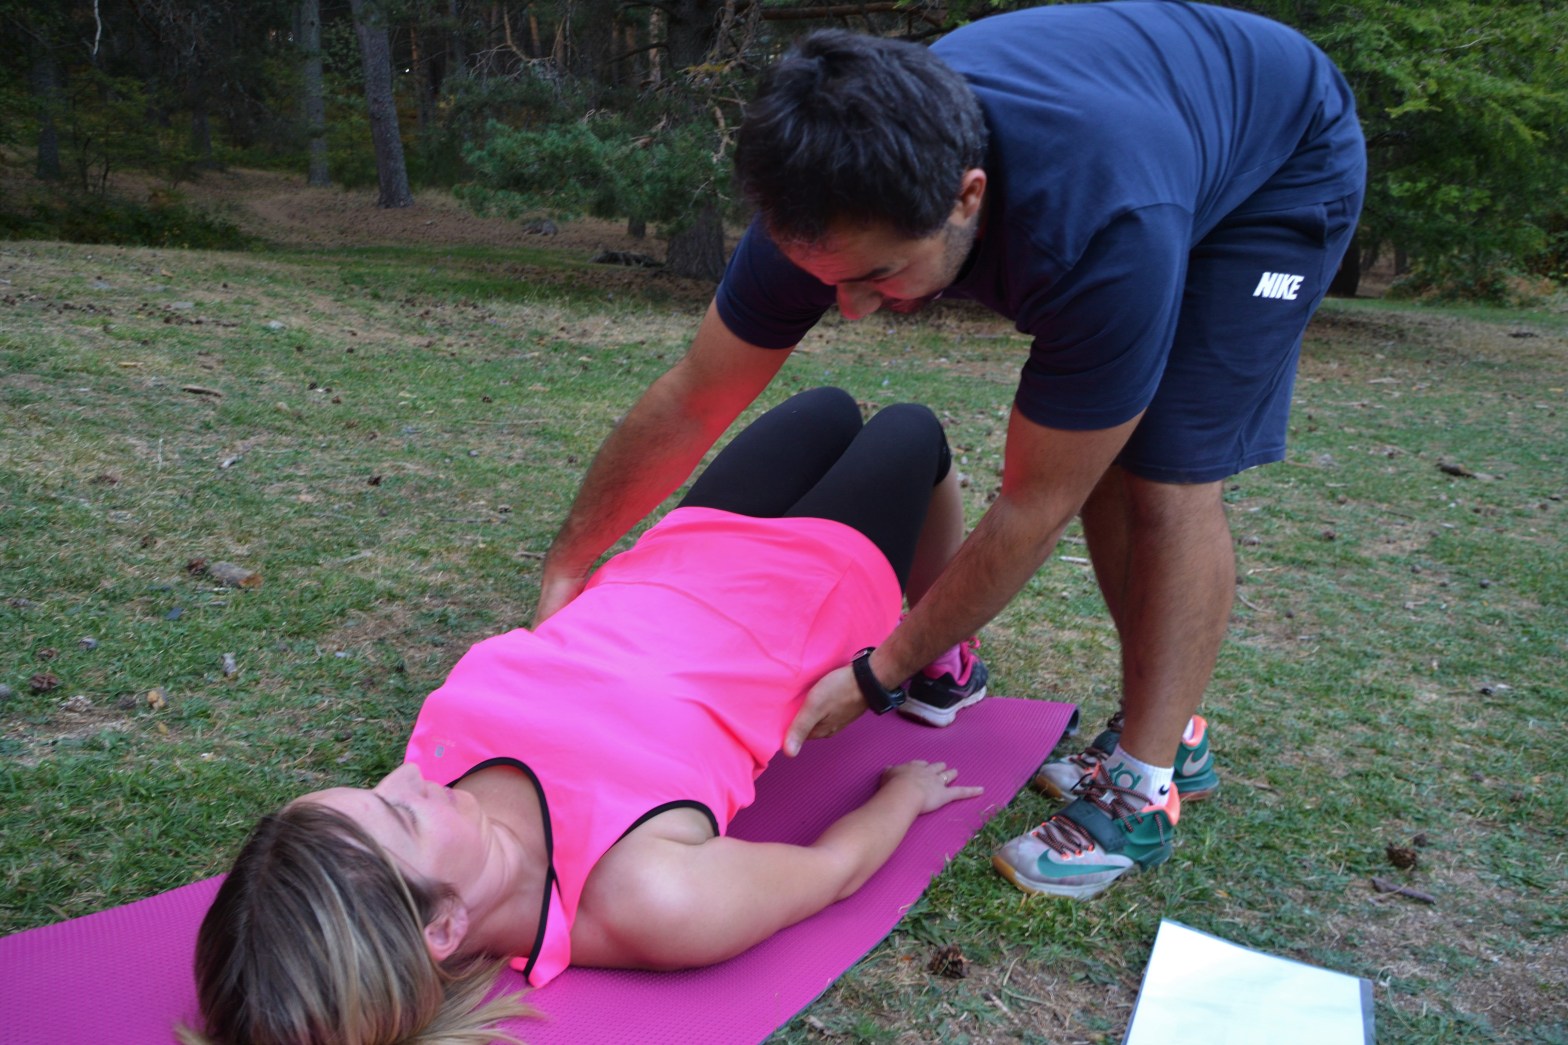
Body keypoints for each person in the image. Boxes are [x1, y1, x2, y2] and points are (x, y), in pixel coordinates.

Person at [535, 2, 1366, 901]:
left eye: (878, 276)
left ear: (967, 198)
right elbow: (695, 396)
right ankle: (1169, 726)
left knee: (1162, 473)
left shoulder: (1098, 227)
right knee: (1107, 461)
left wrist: (882, 670)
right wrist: (571, 560)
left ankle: (1147, 782)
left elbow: (1033, 506)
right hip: (1150, 125)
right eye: (826, 279)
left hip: (1277, 161)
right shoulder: (823, 199)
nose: (850, 310)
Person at [181, 387, 987, 1045]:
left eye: (371, 790)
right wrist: (905, 795)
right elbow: (831, 872)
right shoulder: (651, 899)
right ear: (444, 925)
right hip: (798, 597)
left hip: (675, 556)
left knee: (827, 408)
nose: (403, 774)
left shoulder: (433, 786)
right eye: (400, 810)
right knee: (913, 430)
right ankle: (941, 657)